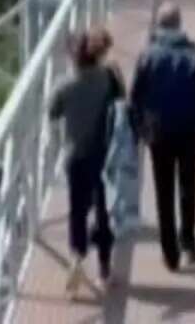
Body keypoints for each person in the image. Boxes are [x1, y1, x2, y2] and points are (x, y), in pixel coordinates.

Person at [130, 1, 195, 271]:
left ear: (159, 24)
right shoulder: (194, 55)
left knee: (163, 192)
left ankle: (170, 254)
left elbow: (135, 98)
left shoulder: (147, 56)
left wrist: (138, 129)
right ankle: (188, 243)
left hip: (158, 133)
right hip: (188, 130)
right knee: (188, 188)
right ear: (179, 24)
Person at [48, 27, 125, 296]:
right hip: (103, 155)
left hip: (75, 155)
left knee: (77, 211)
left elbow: (52, 111)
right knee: (103, 211)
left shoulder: (66, 84)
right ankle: (105, 269)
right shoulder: (107, 77)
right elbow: (121, 101)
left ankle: (76, 258)